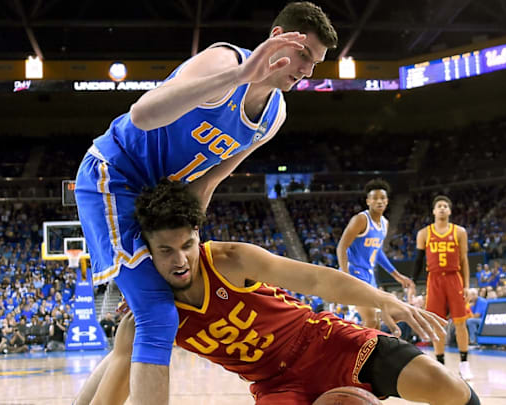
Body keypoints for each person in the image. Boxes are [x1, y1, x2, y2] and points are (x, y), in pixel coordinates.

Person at [73, 3, 337, 403]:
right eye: (303, 55)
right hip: (113, 176)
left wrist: (189, 244)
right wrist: (241, 75)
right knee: (157, 317)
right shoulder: (223, 61)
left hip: (160, 201)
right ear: (278, 36)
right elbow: (142, 115)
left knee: (138, 328)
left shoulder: (274, 114)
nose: (307, 71)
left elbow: (209, 180)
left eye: (315, 63)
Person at [74, 180, 480, 405]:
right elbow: (116, 373)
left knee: (452, 392)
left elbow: (318, 280)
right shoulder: (150, 309)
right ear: (148, 250)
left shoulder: (230, 258)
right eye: (165, 251)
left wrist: (384, 299)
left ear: (198, 236)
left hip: (327, 341)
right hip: (275, 387)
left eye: (186, 246)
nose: (180, 260)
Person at [336, 179, 415, 329]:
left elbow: (377, 252)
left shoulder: (384, 224)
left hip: (369, 275)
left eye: (382, 198)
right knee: (371, 320)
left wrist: (397, 276)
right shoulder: (360, 219)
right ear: (368, 201)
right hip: (354, 272)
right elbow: (341, 246)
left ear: (387, 201)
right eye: (375, 198)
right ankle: (363, 351)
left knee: (376, 322)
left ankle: (368, 351)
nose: (379, 201)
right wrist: (345, 274)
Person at [412, 196, 474, 380]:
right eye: (439, 206)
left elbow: (464, 260)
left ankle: (464, 364)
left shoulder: (459, 232)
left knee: (460, 322)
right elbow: (418, 261)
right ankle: (440, 364)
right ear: (433, 211)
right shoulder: (424, 233)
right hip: (435, 280)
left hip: (454, 278)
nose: (442, 209)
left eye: (445, 206)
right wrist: (413, 283)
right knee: (437, 322)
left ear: (450, 211)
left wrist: (467, 286)